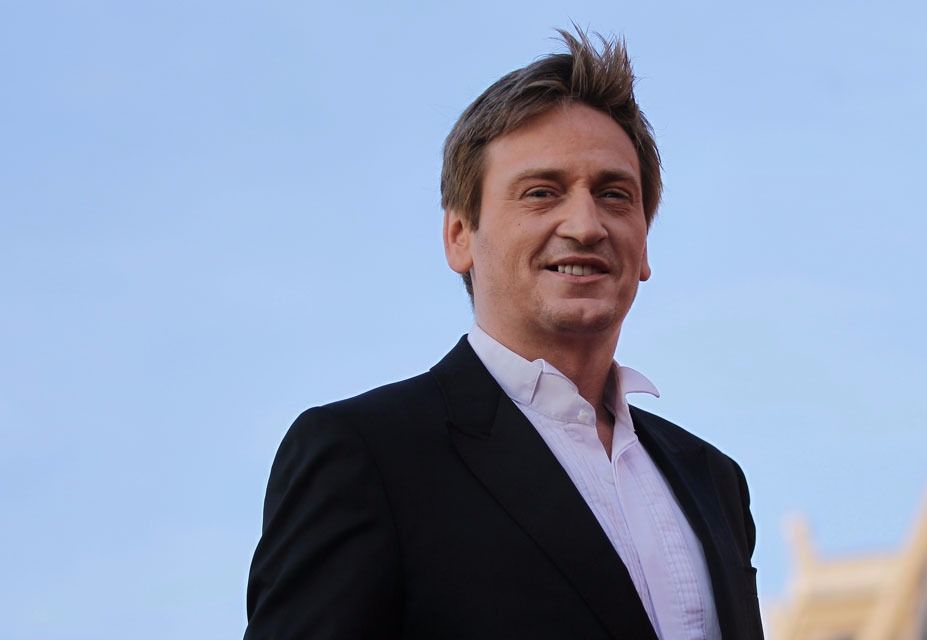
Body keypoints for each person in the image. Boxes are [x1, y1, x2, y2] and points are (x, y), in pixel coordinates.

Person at [244, 28, 763, 640]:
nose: (586, 224)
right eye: (542, 193)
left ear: (644, 244)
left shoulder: (714, 482)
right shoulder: (366, 456)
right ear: (459, 236)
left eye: (614, 195)